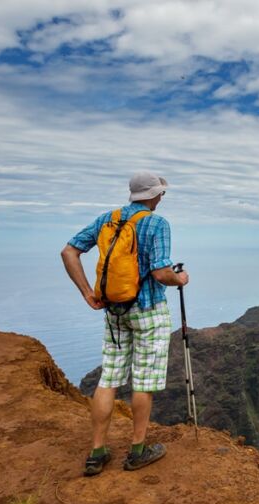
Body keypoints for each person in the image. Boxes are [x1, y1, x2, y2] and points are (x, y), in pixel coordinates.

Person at [60, 171, 189, 476]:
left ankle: (97, 452)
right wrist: (180, 278)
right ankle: (137, 451)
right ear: (154, 195)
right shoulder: (157, 223)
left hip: (114, 312)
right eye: (161, 193)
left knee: (109, 378)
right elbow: (161, 273)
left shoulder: (108, 219)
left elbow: (69, 251)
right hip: (148, 311)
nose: (162, 198)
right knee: (143, 382)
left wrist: (87, 293)